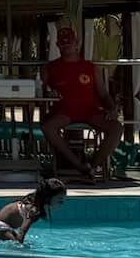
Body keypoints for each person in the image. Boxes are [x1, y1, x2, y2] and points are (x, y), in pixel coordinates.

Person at [42, 26, 118, 184]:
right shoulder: (50, 68)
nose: (66, 45)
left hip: (90, 110)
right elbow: (42, 91)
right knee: (48, 127)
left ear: (77, 44)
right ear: (57, 45)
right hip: (64, 111)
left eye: (69, 42)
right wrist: (49, 94)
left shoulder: (90, 67)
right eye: (62, 43)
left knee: (116, 128)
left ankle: (92, 167)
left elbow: (103, 93)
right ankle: (79, 166)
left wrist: (112, 108)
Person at [0, 177, 67, 243]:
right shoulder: (34, 210)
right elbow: (22, 231)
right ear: (48, 197)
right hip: (1, 227)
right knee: (18, 246)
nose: (63, 202)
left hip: (5, 226)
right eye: (60, 199)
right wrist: (20, 245)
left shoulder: (36, 202)